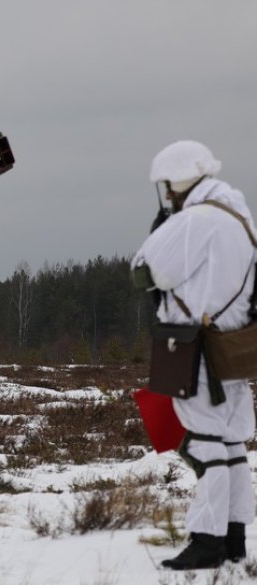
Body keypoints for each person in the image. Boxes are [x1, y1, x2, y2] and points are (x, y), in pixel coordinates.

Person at [133, 140, 255, 570]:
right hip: (232, 347)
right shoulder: (241, 217)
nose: (167, 194)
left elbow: (146, 271)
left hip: (192, 346)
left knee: (205, 442)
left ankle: (207, 540)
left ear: (181, 179)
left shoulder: (194, 221)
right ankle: (235, 537)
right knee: (232, 442)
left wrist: (161, 227)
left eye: (168, 185)